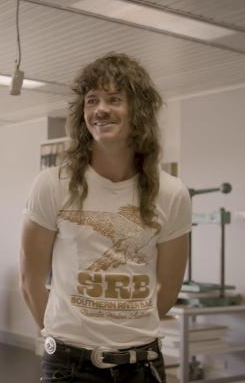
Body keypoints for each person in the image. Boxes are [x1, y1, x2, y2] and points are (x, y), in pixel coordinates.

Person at [20, 53, 191, 382]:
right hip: (69, 365)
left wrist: (125, 331)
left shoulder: (171, 193)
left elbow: (168, 287)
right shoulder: (52, 185)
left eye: (114, 99)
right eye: (92, 100)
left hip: (142, 363)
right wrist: (68, 338)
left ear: (138, 110)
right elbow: (30, 281)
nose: (100, 109)